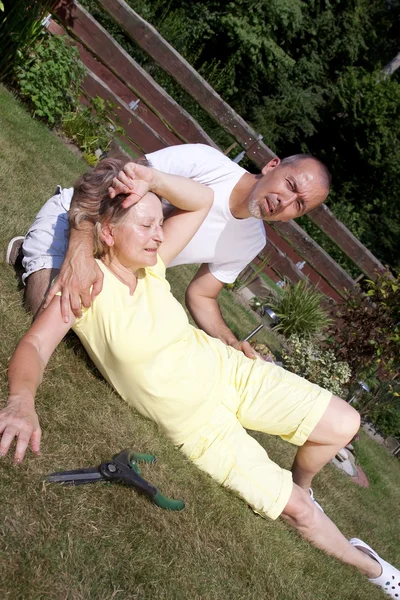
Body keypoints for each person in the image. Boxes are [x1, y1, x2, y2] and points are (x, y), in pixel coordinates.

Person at [1, 158, 399, 597]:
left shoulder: (150, 266)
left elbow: (202, 201)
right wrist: (21, 401)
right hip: (203, 429)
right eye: (148, 225)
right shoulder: (85, 286)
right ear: (109, 232)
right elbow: (36, 347)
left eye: (159, 225)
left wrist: (151, 181)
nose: (159, 233)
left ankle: (303, 489)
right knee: (300, 514)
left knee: (345, 423)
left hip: (230, 373)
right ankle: (374, 569)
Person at [17, 143, 329, 358]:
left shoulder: (252, 241)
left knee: (99, 344)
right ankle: (31, 251)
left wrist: (231, 342)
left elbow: (202, 295)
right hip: (79, 221)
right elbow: (105, 179)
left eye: (299, 205)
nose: (285, 202)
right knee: (47, 314)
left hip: (120, 271)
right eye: (290, 185)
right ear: (272, 165)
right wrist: (80, 253)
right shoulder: (208, 163)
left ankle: (42, 263)